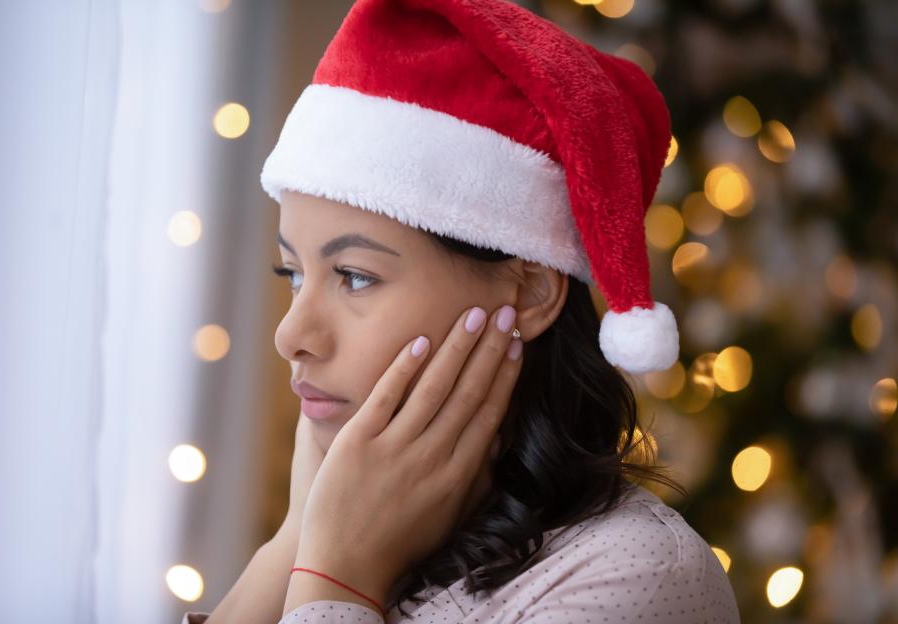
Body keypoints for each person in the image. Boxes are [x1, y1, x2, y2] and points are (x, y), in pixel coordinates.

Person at [183, 0, 742, 622]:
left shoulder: (639, 574)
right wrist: (295, 541)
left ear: (529, 293)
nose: (290, 335)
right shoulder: (328, 531)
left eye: (355, 277)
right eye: (292, 273)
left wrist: (338, 577)